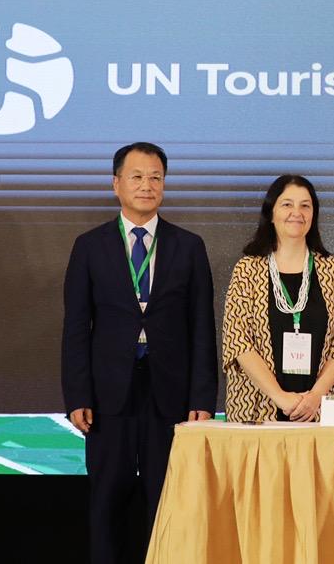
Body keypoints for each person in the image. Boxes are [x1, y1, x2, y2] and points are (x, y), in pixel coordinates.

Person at [61, 142, 217, 564]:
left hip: (170, 395)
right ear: (116, 184)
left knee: (167, 500)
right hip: (107, 395)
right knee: (106, 500)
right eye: (137, 177)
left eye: (155, 177)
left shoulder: (189, 246)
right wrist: (77, 395)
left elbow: (202, 328)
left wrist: (203, 398)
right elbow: (76, 329)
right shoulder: (89, 246)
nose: (147, 185)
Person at [222, 175, 334, 423]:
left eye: (305, 205)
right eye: (287, 204)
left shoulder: (333, 269)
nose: (297, 213)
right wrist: (280, 397)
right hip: (258, 406)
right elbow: (238, 341)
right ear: (271, 213)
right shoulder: (247, 269)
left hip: (319, 408)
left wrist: (315, 397)